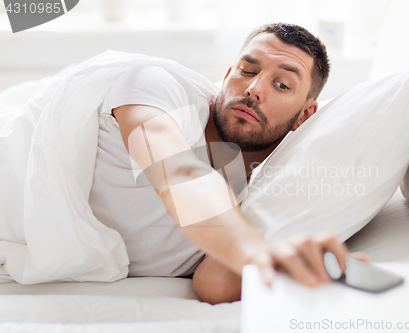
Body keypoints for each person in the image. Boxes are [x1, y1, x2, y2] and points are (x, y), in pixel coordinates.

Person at [90, 23, 368, 305]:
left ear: (304, 116)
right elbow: (176, 171)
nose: (253, 89)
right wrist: (252, 250)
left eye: (282, 84)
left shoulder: (260, 189)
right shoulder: (161, 87)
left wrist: (276, 254)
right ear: (226, 76)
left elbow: (216, 287)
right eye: (247, 71)